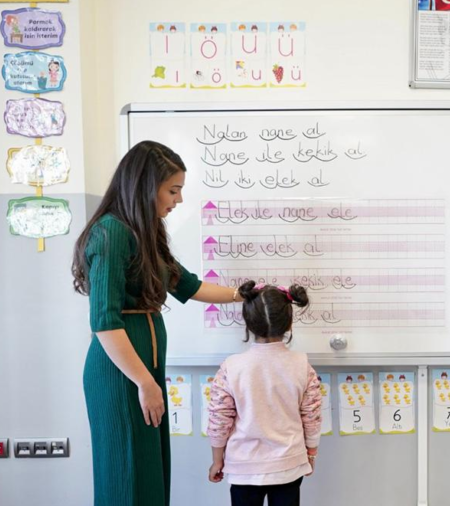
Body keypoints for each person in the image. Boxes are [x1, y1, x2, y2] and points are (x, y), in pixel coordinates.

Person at [72, 141, 244, 506]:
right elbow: (104, 322)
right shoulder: (111, 232)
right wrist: (145, 382)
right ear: (145, 186)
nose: (179, 199)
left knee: (148, 471)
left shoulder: (144, 233)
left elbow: (189, 286)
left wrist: (242, 295)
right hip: (121, 373)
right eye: (173, 190)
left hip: (142, 373)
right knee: (125, 474)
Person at [207, 281, 321, 506]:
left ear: (248, 323)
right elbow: (312, 416)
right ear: (289, 323)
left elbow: (219, 419)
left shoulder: (231, 367)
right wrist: (310, 453)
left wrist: (217, 460)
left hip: (244, 466)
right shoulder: (302, 365)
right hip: (289, 464)